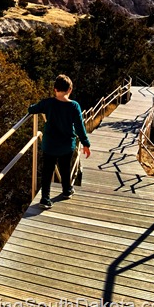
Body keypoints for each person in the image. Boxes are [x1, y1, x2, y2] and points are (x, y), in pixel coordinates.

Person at [28, 74, 91, 209]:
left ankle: (45, 198)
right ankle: (67, 190)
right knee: (65, 167)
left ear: (55, 89)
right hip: (66, 145)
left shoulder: (48, 103)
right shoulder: (74, 106)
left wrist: (33, 106)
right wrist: (86, 143)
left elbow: (32, 109)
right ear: (70, 90)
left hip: (49, 145)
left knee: (47, 171)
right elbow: (80, 127)